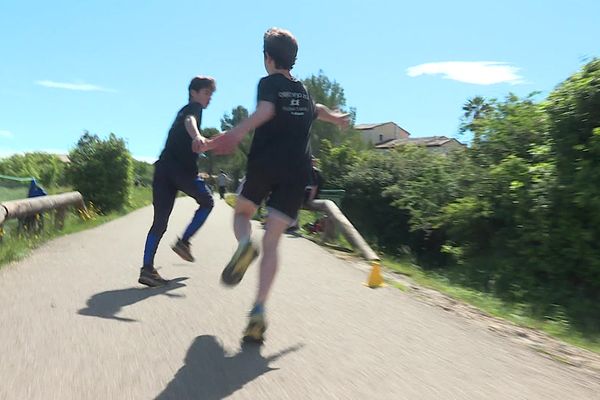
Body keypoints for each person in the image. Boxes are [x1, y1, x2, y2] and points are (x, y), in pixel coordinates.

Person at [202, 28, 349, 343]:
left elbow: (266, 111)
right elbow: (317, 109)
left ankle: (243, 246)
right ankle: (258, 310)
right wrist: (335, 118)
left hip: (266, 164)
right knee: (272, 243)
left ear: (268, 58)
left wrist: (236, 132)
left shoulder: (269, 83)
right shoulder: (305, 91)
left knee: (242, 215)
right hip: (298, 172)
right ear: (292, 60)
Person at [138, 76, 216, 287]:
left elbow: (188, 134)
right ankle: (184, 242)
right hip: (181, 172)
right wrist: (197, 136)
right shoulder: (193, 109)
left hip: (163, 170)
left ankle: (147, 269)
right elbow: (190, 122)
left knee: (160, 222)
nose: (210, 98)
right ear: (194, 92)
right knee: (207, 202)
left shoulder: (183, 110)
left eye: (211, 94)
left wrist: (203, 142)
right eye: (207, 93)